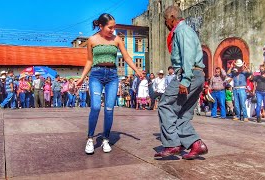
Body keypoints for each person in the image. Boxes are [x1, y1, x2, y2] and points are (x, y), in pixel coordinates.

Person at [76, 13, 142, 154]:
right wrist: (82, 77)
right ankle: (90, 138)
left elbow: (127, 57)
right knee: (95, 107)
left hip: (112, 76)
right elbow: (89, 61)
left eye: (114, 27)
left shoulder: (117, 39)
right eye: (110, 27)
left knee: (109, 109)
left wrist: (137, 70)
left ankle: (105, 138)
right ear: (101, 26)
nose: (113, 30)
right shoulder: (92, 40)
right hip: (96, 75)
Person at [154, 6, 208, 160]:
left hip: (187, 74)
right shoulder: (184, 31)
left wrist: (185, 80)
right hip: (196, 75)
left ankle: (172, 144)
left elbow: (188, 55)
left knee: (165, 105)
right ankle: (196, 144)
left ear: (172, 17)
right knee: (182, 113)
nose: (166, 24)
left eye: (166, 20)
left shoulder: (182, 31)